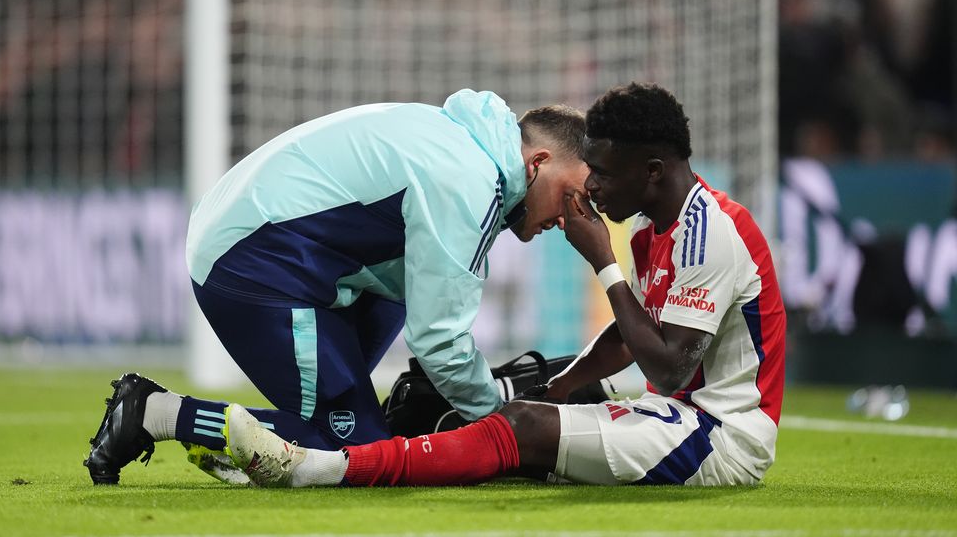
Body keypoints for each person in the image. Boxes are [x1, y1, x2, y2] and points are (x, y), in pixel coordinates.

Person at [223, 82, 787, 487]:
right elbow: (628, 335)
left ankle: (326, 465)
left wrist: (604, 264)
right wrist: (561, 386)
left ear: (653, 171)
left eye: (604, 176)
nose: (588, 198)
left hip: (719, 434)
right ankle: (181, 418)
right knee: (524, 414)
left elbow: (668, 365)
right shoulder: (652, 228)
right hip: (264, 264)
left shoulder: (708, 230)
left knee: (512, 426)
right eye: (589, 175)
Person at [83, 89, 589, 485]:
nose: (569, 219)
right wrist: (502, 429)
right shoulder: (470, 178)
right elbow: (438, 340)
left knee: (360, 425)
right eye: (572, 197)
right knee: (355, 452)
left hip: (288, 254)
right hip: (256, 262)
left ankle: (316, 427)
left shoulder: (466, 147)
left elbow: (417, 293)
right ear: (538, 162)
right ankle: (157, 412)